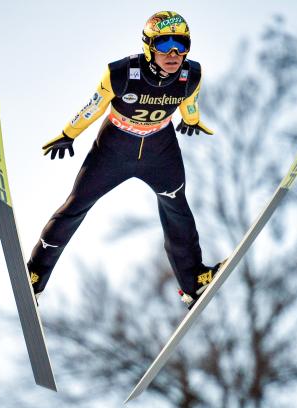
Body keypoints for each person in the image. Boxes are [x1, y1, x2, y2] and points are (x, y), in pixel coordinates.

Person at [27, 11, 220, 309]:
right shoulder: (120, 73)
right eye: (165, 43)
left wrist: (192, 120)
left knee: (177, 208)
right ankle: (36, 274)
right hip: (115, 149)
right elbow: (93, 107)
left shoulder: (191, 74)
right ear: (148, 46)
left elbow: (189, 103)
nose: (174, 53)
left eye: (181, 45)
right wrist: (68, 133)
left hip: (160, 150)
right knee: (76, 205)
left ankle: (192, 282)